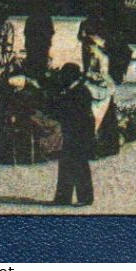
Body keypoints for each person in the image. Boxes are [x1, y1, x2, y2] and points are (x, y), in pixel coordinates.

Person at [48, 64, 95, 207]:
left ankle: (85, 197)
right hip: (72, 133)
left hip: (79, 134)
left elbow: (73, 113)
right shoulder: (72, 90)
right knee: (66, 165)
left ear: (72, 76)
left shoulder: (80, 92)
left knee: (80, 165)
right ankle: (63, 197)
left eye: (64, 75)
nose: (62, 77)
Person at [23, 0, 54, 77]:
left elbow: (26, 32)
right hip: (43, 44)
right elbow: (51, 31)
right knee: (42, 62)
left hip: (32, 44)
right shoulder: (47, 18)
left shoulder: (30, 19)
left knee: (32, 62)